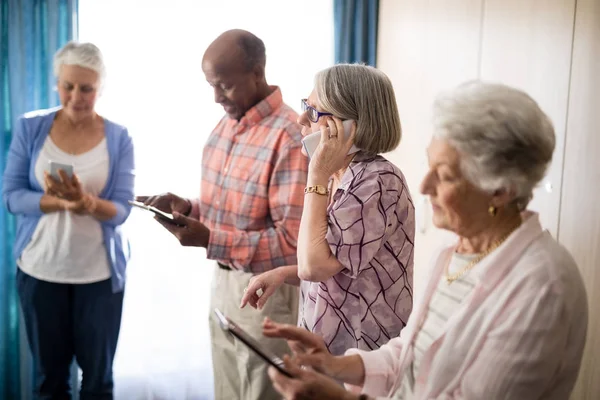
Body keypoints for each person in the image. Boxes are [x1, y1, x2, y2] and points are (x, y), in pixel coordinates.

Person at [262, 81, 588, 400]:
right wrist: (336, 365)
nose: (424, 185)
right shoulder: (450, 256)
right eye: (428, 165)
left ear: (501, 190)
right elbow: (410, 354)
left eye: (445, 175)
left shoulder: (541, 286)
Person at [136, 29, 308, 400]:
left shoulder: (290, 137)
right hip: (224, 284)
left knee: (263, 393)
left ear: (258, 73)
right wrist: (187, 207)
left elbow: (291, 246)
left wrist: (210, 239)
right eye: (211, 85)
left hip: (267, 294)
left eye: (224, 86)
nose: (216, 97)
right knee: (227, 392)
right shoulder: (226, 125)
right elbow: (229, 206)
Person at [240, 64, 415, 356]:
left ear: (350, 127)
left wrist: (316, 174)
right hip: (327, 351)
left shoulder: (377, 181)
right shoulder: (340, 176)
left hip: (360, 358)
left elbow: (314, 266)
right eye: (305, 106)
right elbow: (337, 262)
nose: (300, 119)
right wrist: (284, 272)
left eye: (315, 112)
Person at [2, 41, 135, 399]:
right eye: (68, 86)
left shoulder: (119, 137)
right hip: (40, 272)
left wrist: (86, 203)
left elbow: (122, 208)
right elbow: (11, 196)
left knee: (97, 383)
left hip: (99, 278)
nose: (76, 95)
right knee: (50, 382)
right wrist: (59, 202)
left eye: (87, 88)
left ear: (100, 88)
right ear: (57, 83)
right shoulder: (30, 128)